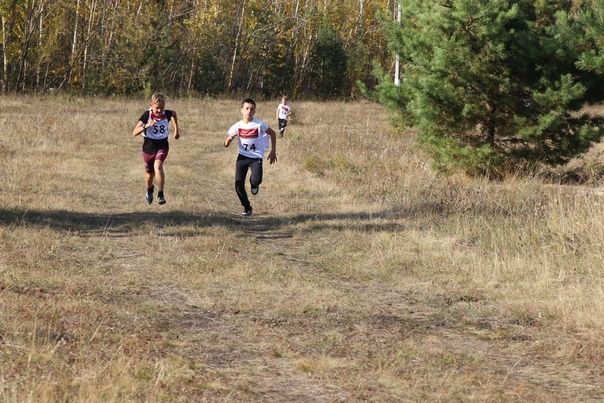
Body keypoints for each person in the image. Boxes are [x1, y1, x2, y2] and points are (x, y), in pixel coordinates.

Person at [225, 98, 277, 216]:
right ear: (242, 110)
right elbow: (226, 144)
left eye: (252, 109)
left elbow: (273, 133)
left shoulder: (259, 124)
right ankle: (247, 208)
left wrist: (273, 151)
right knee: (238, 186)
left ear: (254, 111)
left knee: (256, 180)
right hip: (242, 157)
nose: (249, 111)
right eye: (247, 108)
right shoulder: (237, 126)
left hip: (256, 157)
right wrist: (228, 140)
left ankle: (254, 184)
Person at [132, 92, 180, 205]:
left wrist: (176, 130)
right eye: (157, 108)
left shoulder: (167, 114)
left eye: (162, 108)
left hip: (162, 145)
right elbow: (134, 132)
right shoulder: (146, 115)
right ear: (151, 105)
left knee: (158, 166)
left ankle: (160, 194)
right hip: (148, 147)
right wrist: (146, 126)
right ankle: (149, 190)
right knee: (149, 177)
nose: (160, 111)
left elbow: (174, 114)